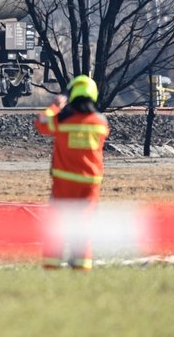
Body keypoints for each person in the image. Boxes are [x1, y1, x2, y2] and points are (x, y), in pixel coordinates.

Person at [35, 74, 110, 270]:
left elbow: (41, 123)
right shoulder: (101, 123)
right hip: (90, 183)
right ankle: (82, 266)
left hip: (64, 182)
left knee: (58, 224)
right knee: (84, 226)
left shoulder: (63, 121)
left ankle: (52, 266)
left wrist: (56, 106)